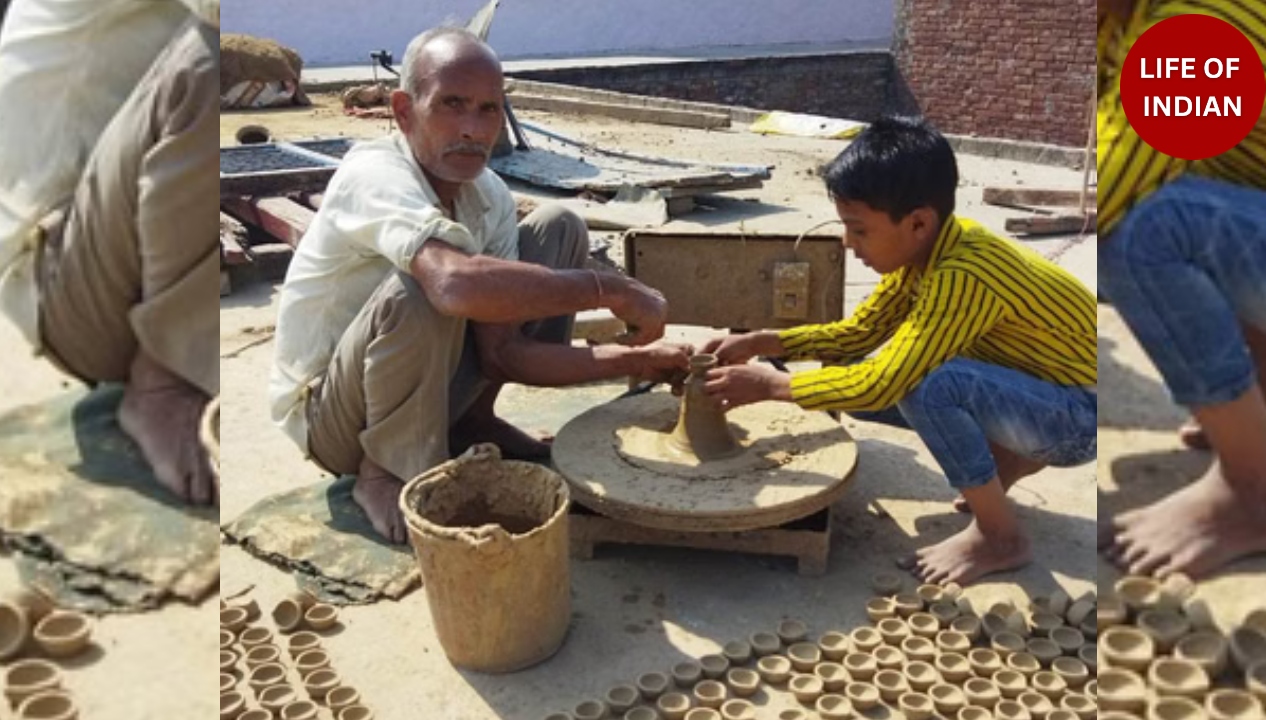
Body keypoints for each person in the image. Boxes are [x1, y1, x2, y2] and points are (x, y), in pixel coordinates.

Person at [269, 28, 691, 544]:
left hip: (425, 387)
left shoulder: (486, 194)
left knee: (559, 226)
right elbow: (452, 288)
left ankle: (473, 420)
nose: (473, 129)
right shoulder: (375, 174)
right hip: (333, 418)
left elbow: (505, 354)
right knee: (421, 287)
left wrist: (639, 361)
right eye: (452, 104)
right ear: (404, 111)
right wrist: (611, 289)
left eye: (489, 110)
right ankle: (382, 471)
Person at [699, 117, 1097, 585]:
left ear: (918, 222)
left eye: (859, 230)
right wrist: (768, 341)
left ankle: (1001, 538)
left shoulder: (965, 273)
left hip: (1080, 417)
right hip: (1038, 392)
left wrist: (772, 385)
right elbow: (857, 335)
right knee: (855, 372)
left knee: (926, 387)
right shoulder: (929, 249)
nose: (848, 243)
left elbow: (884, 382)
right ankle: (1006, 463)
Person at [0, 0, 219, 502]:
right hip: (61, 282)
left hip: (112, 247)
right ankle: (161, 382)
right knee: (208, 58)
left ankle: (180, 347)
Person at [1096, 0, 1266, 577]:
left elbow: (1104, 191)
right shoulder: (1130, 21)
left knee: (1138, 229)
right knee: (1199, 174)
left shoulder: (1202, 23)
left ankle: (1256, 492)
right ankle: (1260, 391)